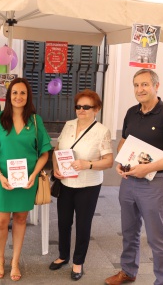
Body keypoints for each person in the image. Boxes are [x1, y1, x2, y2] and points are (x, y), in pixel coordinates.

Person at [105, 69, 163, 285]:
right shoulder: (131, 112)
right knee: (129, 232)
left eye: (144, 84)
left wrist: (148, 167)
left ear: (156, 86)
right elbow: (124, 140)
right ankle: (128, 271)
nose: (139, 89)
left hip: (155, 183)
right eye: (136, 85)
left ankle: (162, 282)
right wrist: (120, 162)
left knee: (157, 238)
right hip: (129, 182)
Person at [0, 78, 52, 281]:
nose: (18, 97)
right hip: (3, 180)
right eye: (14, 93)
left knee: (21, 219)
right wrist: (0, 175)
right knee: (1, 222)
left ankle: (15, 262)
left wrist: (33, 174)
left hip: (27, 181)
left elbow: (44, 153)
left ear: (28, 96)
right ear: (9, 95)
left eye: (23, 93)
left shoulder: (35, 121)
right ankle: (0, 260)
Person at [49, 89, 113, 281]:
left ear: (97, 109)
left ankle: (78, 262)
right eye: (78, 106)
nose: (81, 110)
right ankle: (63, 255)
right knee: (63, 221)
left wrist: (89, 164)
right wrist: (56, 169)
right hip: (66, 181)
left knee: (83, 224)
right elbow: (57, 150)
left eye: (87, 107)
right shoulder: (69, 125)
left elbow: (109, 161)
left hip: (88, 184)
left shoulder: (102, 131)